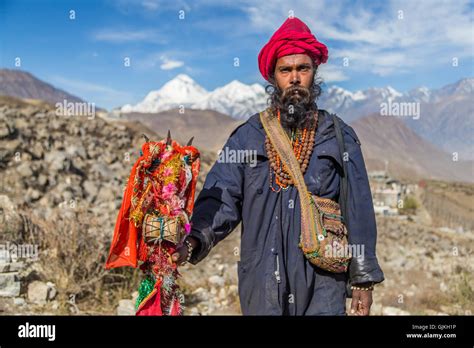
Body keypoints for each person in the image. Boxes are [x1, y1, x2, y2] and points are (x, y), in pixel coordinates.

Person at [172, 16, 384, 315]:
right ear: (273, 76)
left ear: (314, 72)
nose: (295, 78)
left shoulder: (338, 135)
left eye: (303, 69)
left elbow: (358, 208)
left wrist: (363, 279)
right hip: (262, 280)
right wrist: (193, 240)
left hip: (323, 281)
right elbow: (222, 198)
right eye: (286, 70)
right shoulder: (248, 135)